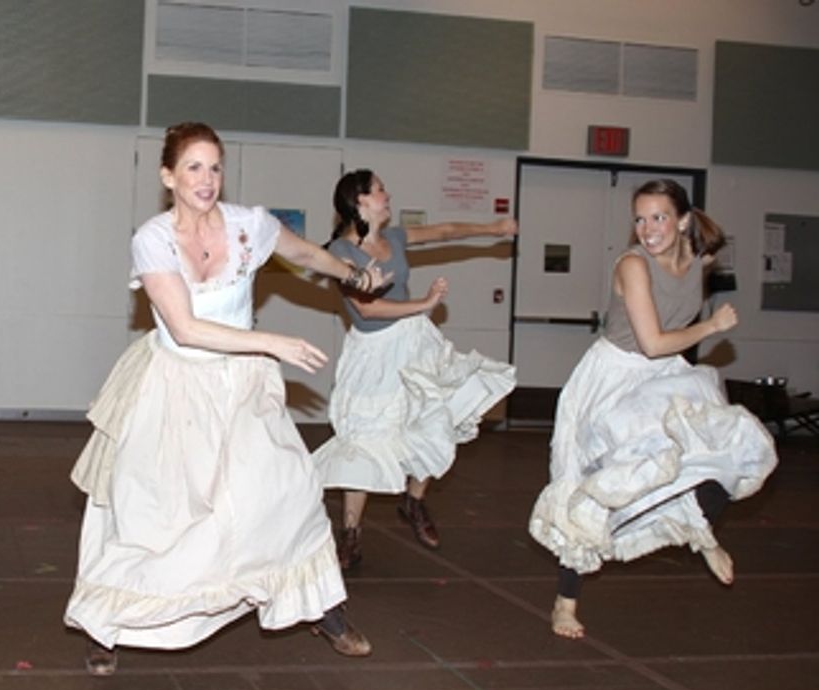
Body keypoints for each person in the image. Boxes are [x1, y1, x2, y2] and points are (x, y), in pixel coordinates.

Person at [64, 122, 389, 676]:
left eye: (214, 167)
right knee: (152, 518)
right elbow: (187, 329)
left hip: (242, 389)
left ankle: (322, 606)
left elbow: (307, 255)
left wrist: (355, 272)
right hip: (176, 385)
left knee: (289, 487)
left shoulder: (248, 225)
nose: (206, 179)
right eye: (193, 167)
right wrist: (271, 342)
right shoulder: (153, 238)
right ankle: (106, 624)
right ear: (168, 175)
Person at [527, 179, 776, 639]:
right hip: (614, 378)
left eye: (658, 217)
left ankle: (701, 534)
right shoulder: (632, 266)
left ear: (682, 220)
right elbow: (653, 341)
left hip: (659, 376)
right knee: (586, 488)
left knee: (716, 447)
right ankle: (566, 602)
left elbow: (665, 344)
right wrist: (712, 326)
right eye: (639, 219)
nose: (647, 228)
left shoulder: (698, 262)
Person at [312, 170, 517, 568]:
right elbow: (367, 307)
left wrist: (493, 227)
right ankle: (351, 533)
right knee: (365, 441)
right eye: (380, 190)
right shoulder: (341, 252)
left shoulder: (396, 239)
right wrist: (422, 305)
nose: (387, 195)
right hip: (373, 353)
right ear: (360, 202)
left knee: (435, 415)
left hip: (414, 343)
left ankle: (414, 500)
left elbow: (444, 231)